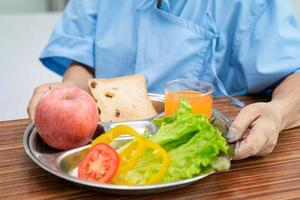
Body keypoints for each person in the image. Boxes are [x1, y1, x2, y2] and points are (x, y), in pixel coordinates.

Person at [27, 0, 300, 160]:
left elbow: (294, 74)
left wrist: (277, 113)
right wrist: (69, 92)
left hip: (200, 161)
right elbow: (82, 60)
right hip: (105, 154)